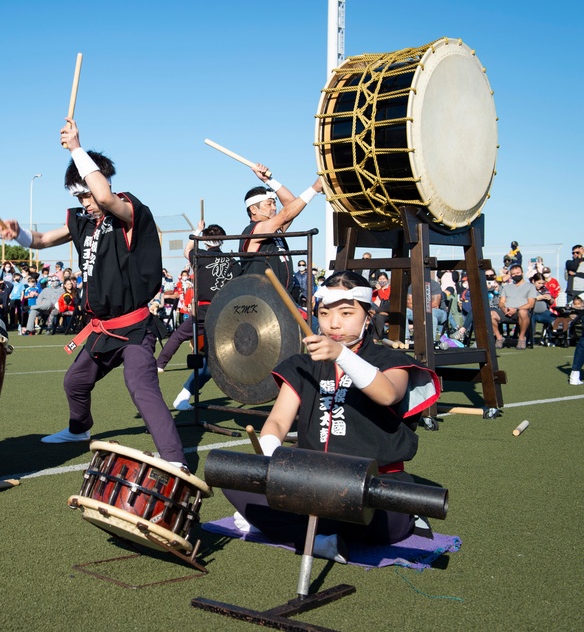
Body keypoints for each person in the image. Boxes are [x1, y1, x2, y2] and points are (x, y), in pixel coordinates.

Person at [0, 117, 188, 467]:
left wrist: (76, 148)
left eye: (86, 193)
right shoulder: (82, 222)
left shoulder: (131, 212)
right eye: (79, 195)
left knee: (141, 385)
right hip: (102, 330)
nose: (86, 201)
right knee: (75, 381)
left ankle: (174, 458)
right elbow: (41, 241)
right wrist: (19, 233)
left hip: (134, 329)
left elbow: (102, 195)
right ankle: (79, 429)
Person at [223, 271, 441, 560]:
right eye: (325, 313)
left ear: (368, 315)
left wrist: (341, 355)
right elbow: (277, 421)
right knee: (231, 478)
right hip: (315, 482)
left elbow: (388, 394)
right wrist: (269, 450)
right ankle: (316, 540)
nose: (334, 323)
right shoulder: (302, 364)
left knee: (366, 516)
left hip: (374, 487)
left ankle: (292, 531)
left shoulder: (391, 361)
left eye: (347, 313)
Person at [157, 222, 237, 410]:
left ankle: (160, 364)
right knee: (212, 360)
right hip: (224, 313)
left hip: (203, 311)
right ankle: (184, 393)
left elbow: (187, 249)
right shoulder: (232, 261)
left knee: (178, 337)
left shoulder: (199, 256)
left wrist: (196, 232)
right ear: (223, 241)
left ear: (206, 241)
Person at [238, 163, 325, 304]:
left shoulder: (276, 230)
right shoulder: (254, 230)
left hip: (283, 299)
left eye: (274, 204)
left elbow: (291, 204)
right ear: (254, 209)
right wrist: (314, 189)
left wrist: (269, 181)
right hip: (262, 301)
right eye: (269, 204)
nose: (274, 208)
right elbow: (285, 214)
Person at [490, 264, 536, 350]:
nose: (515, 275)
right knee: (490, 314)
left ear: (522, 272)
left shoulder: (530, 286)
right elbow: (501, 302)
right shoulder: (506, 287)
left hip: (520, 312)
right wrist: (504, 309)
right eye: (513, 274)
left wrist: (516, 309)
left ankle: (521, 338)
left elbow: (530, 304)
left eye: (517, 273)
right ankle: (499, 337)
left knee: (523, 312)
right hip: (506, 311)